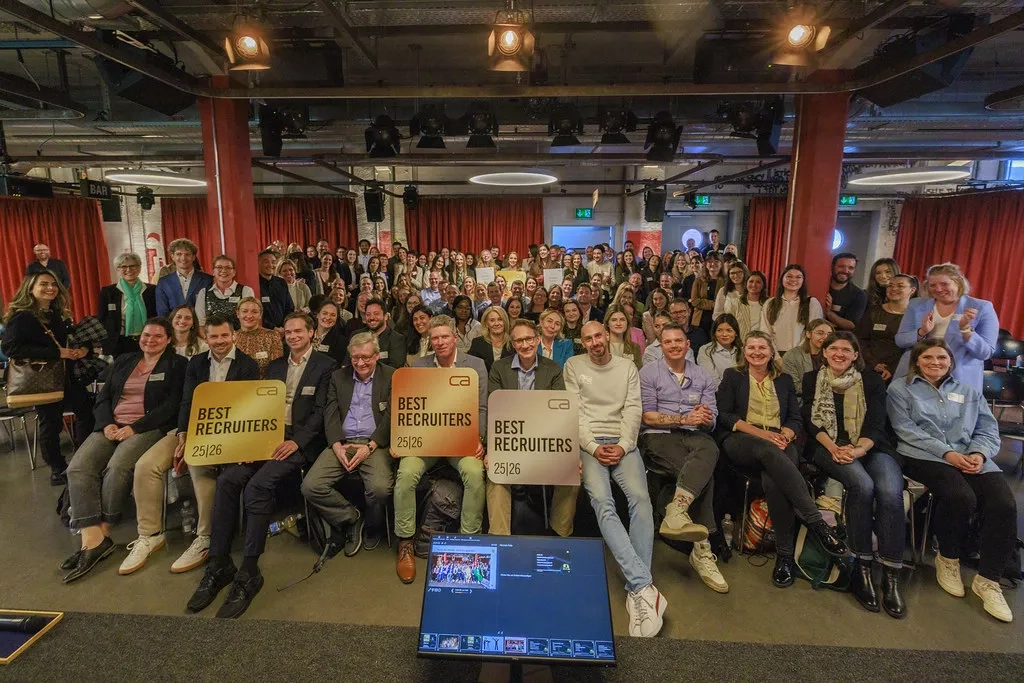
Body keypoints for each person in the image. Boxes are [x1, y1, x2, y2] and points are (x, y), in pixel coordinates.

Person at [187, 313, 334, 619]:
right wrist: (248, 442)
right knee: (228, 480)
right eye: (289, 332)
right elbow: (259, 405)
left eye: (299, 331)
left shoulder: (326, 366)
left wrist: (297, 442)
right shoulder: (277, 365)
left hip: (300, 443)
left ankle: (250, 570)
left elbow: (321, 413)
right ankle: (219, 563)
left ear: (311, 333)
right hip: (267, 435)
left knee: (257, 485)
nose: (293, 336)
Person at [119, 314, 261, 577]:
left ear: (234, 336)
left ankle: (205, 536)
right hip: (191, 427)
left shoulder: (248, 365)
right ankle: (149, 535)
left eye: (224, 336)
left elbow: (247, 409)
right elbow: (186, 401)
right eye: (213, 336)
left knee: (197, 463)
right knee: (145, 465)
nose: (219, 341)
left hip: (228, 432)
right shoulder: (196, 363)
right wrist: (184, 434)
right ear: (205, 337)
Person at [887, 339, 1015, 623]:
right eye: (928, 357)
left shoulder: (968, 391)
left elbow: (987, 429)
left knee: (1003, 504)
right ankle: (948, 557)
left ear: (950, 362)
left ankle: (989, 580)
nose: (935, 362)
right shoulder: (900, 388)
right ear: (917, 361)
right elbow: (905, 431)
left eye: (941, 358)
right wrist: (948, 453)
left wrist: (980, 454)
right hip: (925, 455)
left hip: (972, 457)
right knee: (960, 497)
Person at [715, 331, 847, 587]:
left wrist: (785, 435)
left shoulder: (784, 380)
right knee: (768, 452)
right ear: (744, 352)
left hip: (779, 441)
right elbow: (725, 416)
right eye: (751, 347)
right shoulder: (734, 376)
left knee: (774, 480)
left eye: (762, 347)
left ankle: (784, 557)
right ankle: (817, 523)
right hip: (742, 439)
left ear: (771, 351)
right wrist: (764, 435)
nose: (756, 352)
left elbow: (795, 419)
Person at [60, 318, 187, 582]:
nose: (150, 340)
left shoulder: (177, 365)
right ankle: (93, 539)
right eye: (146, 335)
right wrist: (106, 424)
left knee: (117, 467)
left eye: (157, 336)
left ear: (168, 340)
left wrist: (135, 427)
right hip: (111, 425)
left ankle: (100, 533)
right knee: (78, 467)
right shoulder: (124, 361)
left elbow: (172, 405)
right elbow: (104, 397)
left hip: (147, 427)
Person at [565, 321, 666, 637]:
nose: (594, 341)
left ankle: (638, 588)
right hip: (590, 443)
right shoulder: (572, 365)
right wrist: (594, 448)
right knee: (602, 501)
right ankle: (643, 586)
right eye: (588, 338)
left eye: (598, 335)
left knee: (640, 499)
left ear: (607, 336)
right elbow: (575, 414)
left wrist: (622, 446)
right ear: (581, 343)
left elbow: (633, 410)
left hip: (624, 443)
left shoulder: (626, 367)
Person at [803, 332, 905, 618]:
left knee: (889, 491)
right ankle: (862, 568)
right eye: (832, 348)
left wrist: (857, 451)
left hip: (870, 447)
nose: (839, 353)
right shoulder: (813, 380)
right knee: (861, 485)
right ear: (823, 353)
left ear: (855, 355)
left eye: (846, 349)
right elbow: (812, 423)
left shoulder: (871, 381)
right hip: (828, 446)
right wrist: (836, 448)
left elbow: (875, 424)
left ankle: (891, 574)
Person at [396, 316, 488, 583]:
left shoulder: (476, 365)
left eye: (444, 337)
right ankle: (405, 543)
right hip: (427, 439)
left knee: (474, 473)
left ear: (454, 338)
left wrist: (478, 437)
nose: (439, 342)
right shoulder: (420, 364)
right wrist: (403, 439)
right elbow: (409, 408)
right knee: (405, 475)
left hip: (462, 438)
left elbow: (481, 407)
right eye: (434, 338)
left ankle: (469, 541)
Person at [639, 323, 728, 594]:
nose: (675, 345)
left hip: (694, 435)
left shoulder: (702, 376)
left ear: (687, 344)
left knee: (710, 449)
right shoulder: (649, 373)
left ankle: (676, 511)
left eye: (679, 341)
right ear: (661, 345)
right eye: (668, 342)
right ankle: (702, 550)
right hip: (659, 436)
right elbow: (647, 416)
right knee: (702, 476)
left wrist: (704, 418)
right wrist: (683, 417)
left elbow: (711, 418)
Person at [302, 332, 394, 557]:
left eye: (366, 357)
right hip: (343, 442)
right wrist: (336, 445)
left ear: (376, 355)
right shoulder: (338, 378)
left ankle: (374, 527)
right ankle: (351, 518)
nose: (360, 363)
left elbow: (393, 416)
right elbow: (330, 414)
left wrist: (371, 446)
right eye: (355, 358)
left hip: (375, 444)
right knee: (310, 486)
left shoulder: (391, 376)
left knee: (380, 489)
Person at [486, 319, 578, 536]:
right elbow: (495, 411)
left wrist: (570, 453)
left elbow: (559, 415)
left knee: (571, 475)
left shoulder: (553, 369)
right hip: (509, 442)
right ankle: (500, 539)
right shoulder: (499, 368)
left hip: (544, 442)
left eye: (528, 339)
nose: (524, 345)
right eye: (519, 340)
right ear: (512, 343)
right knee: (495, 476)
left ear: (537, 340)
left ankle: (560, 535)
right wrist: (492, 450)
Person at [2, 272, 91, 484]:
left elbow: (68, 341)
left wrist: (82, 350)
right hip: (41, 379)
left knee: (87, 413)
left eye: (53, 284)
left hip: (67, 376)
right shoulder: (22, 316)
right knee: (51, 423)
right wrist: (56, 353)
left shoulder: (56, 313)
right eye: (43, 284)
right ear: (30, 288)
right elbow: (10, 347)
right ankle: (57, 468)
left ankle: (84, 459)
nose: (50, 288)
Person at [893, 262, 997, 393]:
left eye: (944, 284)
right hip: (916, 373)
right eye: (933, 285)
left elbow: (985, 353)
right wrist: (922, 332)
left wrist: (966, 330)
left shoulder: (982, 307)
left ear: (958, 282)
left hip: (957, 377)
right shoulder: (915, 305)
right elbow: (900, 340)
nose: (938, 289)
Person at [856, 274, 917, 382]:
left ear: (912, 290)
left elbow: (914, 347)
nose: (894, 289)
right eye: (890, 286)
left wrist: (892, 368)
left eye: (900, 286)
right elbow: (860, 340)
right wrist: (873, 363)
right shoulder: (873, 311)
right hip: (870, 367)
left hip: (902, 371)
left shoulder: (916, 316)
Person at [98, 252, 158, 357]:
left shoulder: (152, 290)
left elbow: (157, 316)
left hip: (148, 340)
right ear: (118, 269)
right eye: (124, 267)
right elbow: (102, 318)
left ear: (139, 268)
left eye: (133, 266)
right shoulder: (108, 292)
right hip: (119, 343)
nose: (129, 270)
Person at [761, 264, 824, 355]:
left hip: (803, 354)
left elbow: (814, 331)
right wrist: (776, 357)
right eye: (789, 276)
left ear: (803, 281)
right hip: (774, 354)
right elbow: (765, 332)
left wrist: (795, 355)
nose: (793, 280)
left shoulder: (812, 303)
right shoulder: (770, 303)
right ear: (782, 279)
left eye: (798, 277)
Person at [781, 318, 834, 404]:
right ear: (808, 334)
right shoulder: (792, 355)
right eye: (820, 333)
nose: (825, 337)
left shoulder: (834, 355)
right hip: (803, 403)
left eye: (829, 334)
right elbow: (793, 386)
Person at [193, 255, 254, 328]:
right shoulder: (203, 292)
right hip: (212, 338)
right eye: (219, 267)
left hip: (239, 338)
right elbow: (201, 325)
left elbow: (250, 320)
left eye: (228, 267)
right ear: (213, 271)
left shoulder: (246, 291)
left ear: (234, 272)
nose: (224, 270)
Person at [155, 239, 213, 316]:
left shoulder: (208, 280)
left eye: (187, 254)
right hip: (173, 326)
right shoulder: (163, 282)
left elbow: (211, 309)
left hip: (200, 326)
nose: (183, 258)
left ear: (193, 257)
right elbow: (162, 312)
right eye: (179, 254)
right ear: (172, 256)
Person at [234, 297, 284, 377]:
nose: (249, 315)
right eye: (244, 311)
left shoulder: (272, 336)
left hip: (264, 386)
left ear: (260, 315)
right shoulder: (231, 338)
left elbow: (276, 368)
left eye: (254, 312)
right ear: (238, 314)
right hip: (237, 386)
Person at [824, 253, 868, 331]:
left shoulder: (859, 295)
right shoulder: (819, 286)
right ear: (832, 266)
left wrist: (828, 312)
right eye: (841, 266)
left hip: (840, 338)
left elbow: (851, 325)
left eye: (851, 268)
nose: (845, 271)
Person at [359, 298, 407, 368]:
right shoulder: (357, 335)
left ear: (386, 317)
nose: (371, 317)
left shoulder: (397, 339)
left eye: (376, 314)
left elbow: (394, 368)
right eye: (368, 314)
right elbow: (347, 364)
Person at [697, 314, 742, 387]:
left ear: (736, 333)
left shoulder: (742, 350)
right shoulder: (705, 350)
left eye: (729, 330)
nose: (724, 334)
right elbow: (711, 380)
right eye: (719, 330)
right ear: (714, 333)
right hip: (717, 394)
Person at [689, 252, 724, 338]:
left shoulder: (726, 282)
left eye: (716, 261)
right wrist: (713, 304)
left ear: (721, 263)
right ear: (706, 264)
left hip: (718, 320)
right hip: (700, 320)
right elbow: (694, 301)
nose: (712, 264)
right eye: (710, 261)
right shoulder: (699, 281)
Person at [469, 305, 514, 373]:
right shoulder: (477, 343)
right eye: (492, 320)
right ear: (486, 324)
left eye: (500, 319)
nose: (496, 323)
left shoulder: (514, 344)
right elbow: (471, 369)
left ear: (505, 321)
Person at [257, 249, 294, 331]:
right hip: (263, 330)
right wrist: (273, 328)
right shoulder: (254, 284)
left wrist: (285, 326)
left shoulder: (281, 282)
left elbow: (290, 307)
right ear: (257, 263)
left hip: (283, 330)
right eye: (266, 262)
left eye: (273, 262)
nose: (270, 265)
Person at [725, 270, 767, 339]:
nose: (754, 285)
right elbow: (728, 326)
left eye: (758, 282)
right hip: (740, 343)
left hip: (762, 343)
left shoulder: (769, 304)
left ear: (763, 285)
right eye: (751, 281)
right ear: (746, 284)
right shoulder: (735, 303)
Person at [312, 301, 349, 367]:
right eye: (325, 313)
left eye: (333, 315)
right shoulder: (306, 335)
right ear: (317, 314)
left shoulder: (342, 342)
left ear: (337, 318)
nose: (328, 317)